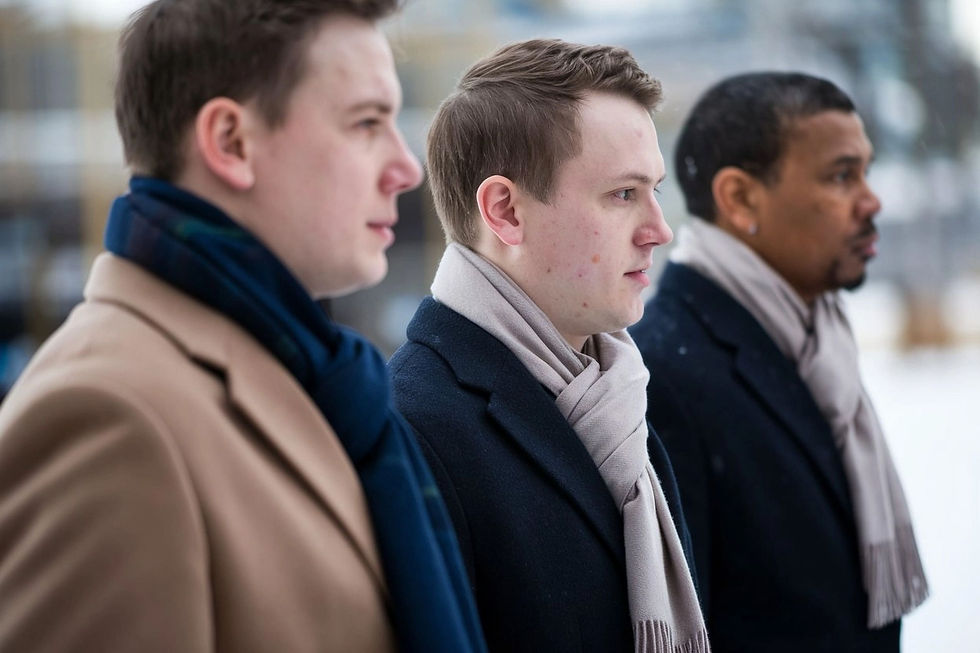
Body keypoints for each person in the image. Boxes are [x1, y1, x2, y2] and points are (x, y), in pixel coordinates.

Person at [0, 2, 486, 652]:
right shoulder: (106, 415)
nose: (406, 168)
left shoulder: (321, 377)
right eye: (367, 122)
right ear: (231, 142)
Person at [389, 39, 708, 653]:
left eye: (656, 191)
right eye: (623, 194)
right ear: (505, 211)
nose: (660, 230)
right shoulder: (413, 432)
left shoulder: (615, 402)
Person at [630, 72, 929, 652]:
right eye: (841, 176)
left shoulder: (819, 340)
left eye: (866, 172)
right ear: (740, 198)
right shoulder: (664, 375)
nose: (872, 201)